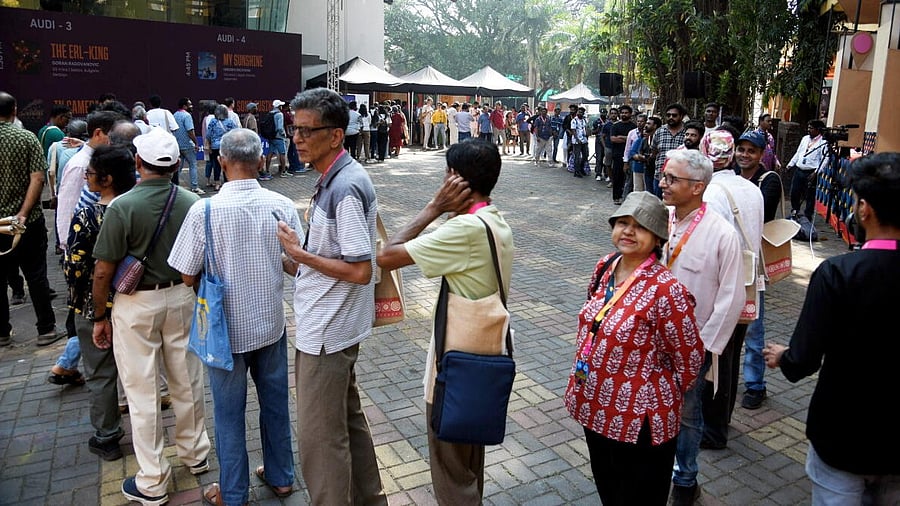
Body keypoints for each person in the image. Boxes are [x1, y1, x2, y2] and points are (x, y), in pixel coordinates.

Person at [376, 139, 513, 505]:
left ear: (455, 180)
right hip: (482, 360)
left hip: (455, 367)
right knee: (468, 461)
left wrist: (434, 207)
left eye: (446, 175)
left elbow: (385, 256)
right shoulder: (492, 219)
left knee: (450, 466)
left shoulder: (464, 230)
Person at [169, 128, 298, 506]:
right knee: (275, 402)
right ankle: (281, 477)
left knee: (228, 414)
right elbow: (296, 263)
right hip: (270, 324)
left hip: (223, 333)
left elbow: (187, 274)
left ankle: (234, 492)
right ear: (261, 161)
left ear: (221, 161)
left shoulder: (203, 210)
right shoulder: (281, 204)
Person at [763, 152, 900, 505]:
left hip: (842, 432)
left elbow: (805, 358)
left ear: (865, 209)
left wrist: (785, 357)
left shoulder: (837, 273)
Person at [275, 88, 386, 505]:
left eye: (307, 131)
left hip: (327, 330)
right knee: (348, 424)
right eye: (295, 129)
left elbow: (360, 270)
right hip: (333, 326)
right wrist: (296, 259)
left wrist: (300, 254)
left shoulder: (346, 186)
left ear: (336, 135)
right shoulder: (336, 177)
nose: (297, 138)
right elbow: (336, 255)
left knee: (321, 442)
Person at [91, 127, 210, 506]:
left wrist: (99, 316)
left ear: (138, 163)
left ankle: (153, 481)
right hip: (183, 297)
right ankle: (195, 454)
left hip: (136, 304)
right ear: (176, 164)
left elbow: (103, 271)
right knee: (188, 379)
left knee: (142, 392)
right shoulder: (194, 202)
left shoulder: (121, 207)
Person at [564, 191, 703, 505]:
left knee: (639, 496)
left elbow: (689, 356)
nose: (627, 231)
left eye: (639, 226)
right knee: (609, 489)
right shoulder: (605, 266)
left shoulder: (667, 290)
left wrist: (659, 392)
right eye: (622, 223)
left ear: (657, 238)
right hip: (596, 404)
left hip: (640, 421)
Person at [659, 149, 744, 505]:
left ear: (697, 187)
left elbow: (732, 296)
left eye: (671, 179)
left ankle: (686, 478)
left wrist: (705, 346)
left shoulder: (722, 234)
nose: (663, 184)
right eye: (664, 176)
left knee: (688, 414)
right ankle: (658, 468)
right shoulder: (659, 219)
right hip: (653, 337)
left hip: (694, 344)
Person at [62, 144, 136, 461]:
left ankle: (107, 436)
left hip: (96, 305)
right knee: (138, 370)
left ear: (106, 179)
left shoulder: (88, 215)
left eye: (91, 174)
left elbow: (76, 268)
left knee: (101, 372)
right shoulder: (138, 208)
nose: (88, 178)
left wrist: (87, 305)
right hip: (136, 301)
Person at [699, 129, 764, 450]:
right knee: (731, 355)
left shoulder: (711, 193)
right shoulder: (751, 188)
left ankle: (712, 431)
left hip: (721, 288)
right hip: (749, 285)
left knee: (714, 359)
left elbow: (710, 246)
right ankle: (722, 419)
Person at [0, 92, 64, 347]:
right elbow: (37, 178)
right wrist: (23, 215)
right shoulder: (26, 138)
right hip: (28, 221)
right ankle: (46, 329)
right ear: (14, 109)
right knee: (36, 276)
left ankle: (2, 332)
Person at [733, 130, 782, 410]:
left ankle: (755, 385)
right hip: (730, 260)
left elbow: (759, 214)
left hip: (754, 264)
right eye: (741, 149)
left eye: (751, 150)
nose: (744, 155)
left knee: (753, 325)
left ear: (762, 154)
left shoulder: (769, 179)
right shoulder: (732, 177)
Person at [787, 119, 828, 220]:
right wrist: (790, 164)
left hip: (811, 172)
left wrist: (816, 172)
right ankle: (795, 210)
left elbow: (825, 159)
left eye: (811, 128)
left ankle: (807, 215)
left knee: (809, 195)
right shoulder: (805, 139)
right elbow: (798, 152)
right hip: (799, 169)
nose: (808, 130)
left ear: (818, 130)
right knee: (794, 192)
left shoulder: (823, 142)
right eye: (808, 127)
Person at [173, 97, 204, 194]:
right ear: (184, 106)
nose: (192, 106)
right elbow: (190, 131)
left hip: (178, 145)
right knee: (193, 165)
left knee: (179, 167)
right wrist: (196, 143)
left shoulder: (175, 115)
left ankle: (174, 186)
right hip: (188, 145)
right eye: (190, 104)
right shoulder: (187, 116)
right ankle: (194, 187)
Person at [206, 104, 238, 191]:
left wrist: (209, 144)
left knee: (216, 165)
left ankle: (217, 183)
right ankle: (227, 182)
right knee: (227, 164)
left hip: (215, 146)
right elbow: (236, 132)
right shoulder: (230, 122)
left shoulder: (213, 121)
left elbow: (208, 135)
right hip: (227, 146)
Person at [609, 105, 637, 204]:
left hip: (630, 155)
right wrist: (628, 139)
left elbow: (635, 140)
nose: (624, 114)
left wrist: (622, 137)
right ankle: (616, 197)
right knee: (617, 176)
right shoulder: (615, 126)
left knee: (629, 178)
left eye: (626, 113)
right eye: (622, 113)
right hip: (617, 154)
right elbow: (613, 139)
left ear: (630, 114)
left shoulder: (634, 127)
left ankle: (627, 197)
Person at [264, 99, 289, 177]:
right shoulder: (279, 114)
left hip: (271, 136)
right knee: (282, 153)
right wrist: (283, 135)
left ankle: (267, 171)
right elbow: (280, 128)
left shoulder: (270, 113)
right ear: (279, 106)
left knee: (270, 153)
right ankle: (283, 171)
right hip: (278, 137)